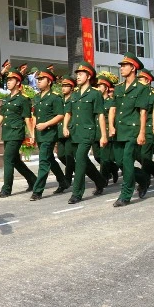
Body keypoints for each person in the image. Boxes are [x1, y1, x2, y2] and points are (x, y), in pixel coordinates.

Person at [62, 61, 108, 204]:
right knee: (83, 161)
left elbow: (100, 114)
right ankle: (100, 181)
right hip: (75, 132)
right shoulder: (74, 95)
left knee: (80, 160)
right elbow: (68, 113)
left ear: (88, 76)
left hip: (88, 132)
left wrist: (103, 135)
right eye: (77, 75)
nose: (78, 77)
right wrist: (64, 126)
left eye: (81, 74)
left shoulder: (95, 94)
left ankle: (77, 193)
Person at [109, 53, 151, 207]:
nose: (121, 68)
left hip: (133, 130)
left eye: (124, 65)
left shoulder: (141, 88)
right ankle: (142, 178)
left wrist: (141, 132)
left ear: (133, 68)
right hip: (119, 130)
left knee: (127, 160)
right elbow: (113, 108)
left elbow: (142, 112)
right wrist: (111, 126)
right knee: (120, 161)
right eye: (121, 65)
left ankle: (125, 195)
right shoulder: (118, 88)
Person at [0, 69, 37, 198]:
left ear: (18, 82)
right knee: (15, 160)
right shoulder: (6, 99)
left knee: (8, 159)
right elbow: (2, 115)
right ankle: (33, 179)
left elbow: (28, 118)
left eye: (11, 80)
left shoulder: (23, 99)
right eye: (7, 80)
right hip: (7, 132)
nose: (8, 82)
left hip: (16, 132)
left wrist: (32, 134)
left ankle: (6, 189)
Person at [29, 67, 69, 200]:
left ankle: (37, 191)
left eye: (41, 79)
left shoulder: (55, 98)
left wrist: (46, 124)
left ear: (50, 81)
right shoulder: (37, 97)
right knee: (50, 159)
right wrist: (33, 134)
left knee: (44, 161)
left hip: (49, 134)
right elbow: (35, 116)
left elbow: (60, 115)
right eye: (38, 79)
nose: (39, 81)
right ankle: (63, 181)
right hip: (39, 134)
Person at [137, 68, 154, 186]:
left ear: (147, 81)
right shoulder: (136, 93)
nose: (138, 82)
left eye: (140, 80)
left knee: (145, 154)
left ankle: (145, 180)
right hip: (136, 128)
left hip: (149, 128)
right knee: (137, 154)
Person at [93, 74, 119, 184]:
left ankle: (103, 180)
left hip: (106, 131)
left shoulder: (111, 101)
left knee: (104, 158)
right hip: (95, 131)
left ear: (106, 88)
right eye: (97, 86)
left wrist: (112, 129)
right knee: (97, 156)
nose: (98, 88)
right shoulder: (94, 101)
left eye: (100, 86)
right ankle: (113, 168)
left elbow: (113, 116)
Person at [55, 77, 76, 193]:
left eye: (66, 86)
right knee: (61, 156)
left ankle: (67, 180)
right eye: (62, 86)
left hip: (70, 131)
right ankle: (78, 170)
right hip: (59, 131)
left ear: (72, 87)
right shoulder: (60, 100)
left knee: (68, 156)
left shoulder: (74, 99)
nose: (63, 88)